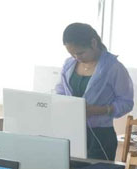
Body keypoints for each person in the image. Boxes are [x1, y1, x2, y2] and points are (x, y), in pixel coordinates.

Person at [55, 23, 133, 161]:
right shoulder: (69, 64)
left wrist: (99, 110)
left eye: (80, 53)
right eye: (72, 54)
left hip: (100, 135)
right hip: (71, 131)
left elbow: (126, 103)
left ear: (93, 43)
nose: (76, 57)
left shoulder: (113, 67)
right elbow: (60, 91)